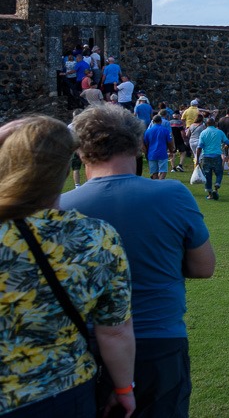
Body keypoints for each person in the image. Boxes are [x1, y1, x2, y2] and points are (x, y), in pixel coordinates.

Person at [63, 104, 215, 418]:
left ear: (80, 150)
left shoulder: (61, 207)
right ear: (138, 144)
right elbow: (203, 267)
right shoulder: (173, 194)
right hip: (158, 340)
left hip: (84, 345)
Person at [0, 115, 136, 417]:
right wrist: (124, 388)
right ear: (64, 170)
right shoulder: (94, 236)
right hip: (64, 390)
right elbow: (115, 331)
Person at [198, 117, 229, 200]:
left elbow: (199, 146)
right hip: (217, 156)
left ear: (206, 124)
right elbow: (228, 142)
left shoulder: (203, 133)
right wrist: (225, 148)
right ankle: (217, 185)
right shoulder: (219, 132)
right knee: (219, 173)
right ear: (215, 123)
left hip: (206, 156)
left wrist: (197, 158)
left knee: (207, 175)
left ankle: (210, 194)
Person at [143, 114, 175, 180]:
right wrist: (171, 151)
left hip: (151, 154)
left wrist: (146, 152)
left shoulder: (148, 131)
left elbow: (145, 143)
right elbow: (169, 142)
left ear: (153, 121)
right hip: (162, 153)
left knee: (154, 172)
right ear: (161, 121)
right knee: (163, 171)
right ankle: (160, 182)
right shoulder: (165, 130)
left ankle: (156, 184)